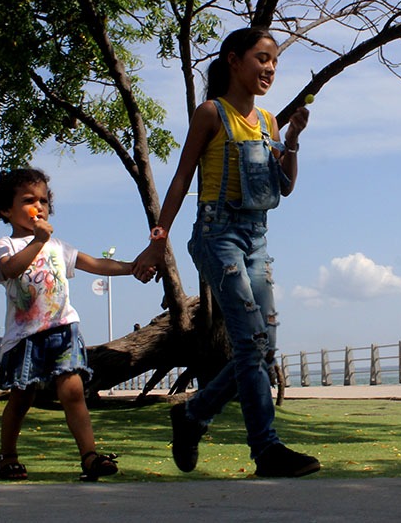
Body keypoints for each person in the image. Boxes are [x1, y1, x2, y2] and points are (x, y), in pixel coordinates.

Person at [133, 26, 319, 478]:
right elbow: (180, 179)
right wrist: (158, 242)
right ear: (233, 61)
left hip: (257, 239)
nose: (270, 68)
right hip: (218, 236)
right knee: (252, 344)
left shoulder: (270, 122)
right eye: (261, 58)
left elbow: (286, 187)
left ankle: (193, 416)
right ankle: (266, 450)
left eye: (274, 61)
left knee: (263, 347)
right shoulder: (211, 114)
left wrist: (291, 137)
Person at [0, 167, 155, 482]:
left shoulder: (58, 246)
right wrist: (37, 241)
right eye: (28, 200)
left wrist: (132, 268)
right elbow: (11, 270)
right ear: (5, 210)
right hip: (27, 337)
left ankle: (89, 457)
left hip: (63, 330)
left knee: (74, 390)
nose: (39, 207)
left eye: (44, 201)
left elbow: (94, 263)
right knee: (22, 397)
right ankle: (7, 457)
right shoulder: (6, 246)